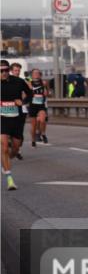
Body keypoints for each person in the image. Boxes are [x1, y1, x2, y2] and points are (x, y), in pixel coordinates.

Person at [1, 60, 32, 189]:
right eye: (0, 71)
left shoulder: (18, 82)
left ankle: (6, 161)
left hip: (16, 118)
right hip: (2, 118)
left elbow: (30, 94)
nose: (3, 73)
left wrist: (23, 101)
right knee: (3, 147)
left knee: (14, 148)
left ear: (9, 70)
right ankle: (10, 179)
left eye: (5, 70)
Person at [8, 64, 30, 161]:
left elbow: (29, 93)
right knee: (8, 130)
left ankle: (18, 149)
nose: (17, 72)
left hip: (21, 109)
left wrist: (23, 102)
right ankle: (10, 145)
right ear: (11, 71)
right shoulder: (6, 82)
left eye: (18, 70)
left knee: (19, 131)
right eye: (15, 70)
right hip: (7, 110)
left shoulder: (22, 82)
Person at [27, 68, 50, 146]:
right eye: (34, 73)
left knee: (43, 120)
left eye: (38, 73)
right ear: (32, 75)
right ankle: (33, 140)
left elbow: (47, 93)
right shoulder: (29, 83)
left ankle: (43, 134)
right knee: (33, 126)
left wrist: (45, 91)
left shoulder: (44, 82)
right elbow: (25, 93)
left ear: (40, 74)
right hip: (32, 106)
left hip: (41, 105)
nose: (36, 74)